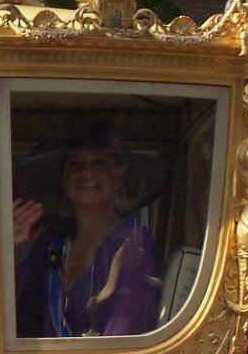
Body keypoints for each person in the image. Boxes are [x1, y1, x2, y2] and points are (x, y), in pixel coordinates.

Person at [13, 127, 163, 338]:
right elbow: (18, 321)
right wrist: (6, 252)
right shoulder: (52, 248)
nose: (86, 173)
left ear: (118, 178)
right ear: (63, 179)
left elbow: (123, 334)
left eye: (98, 163)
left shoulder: (132, 242)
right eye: (74, 164)